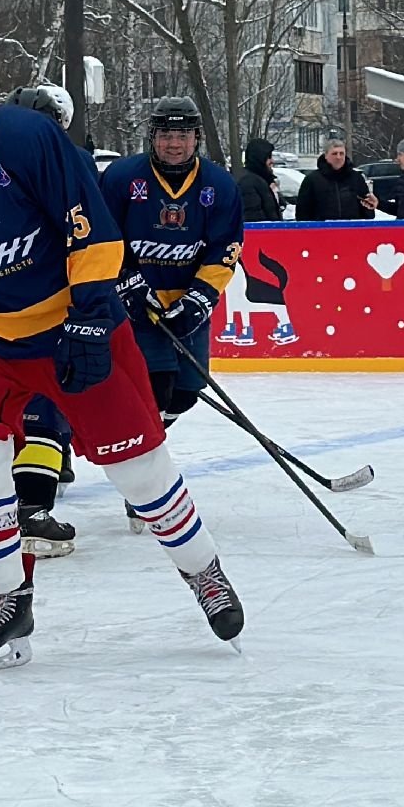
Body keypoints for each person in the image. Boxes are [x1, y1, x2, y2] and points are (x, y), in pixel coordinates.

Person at [0, 35, 244, 672]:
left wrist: (86, 321)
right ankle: (7, 597)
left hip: (71, 327)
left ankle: (204, 572)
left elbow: (95, 235)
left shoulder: (27, 138)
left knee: (140, 472)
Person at [98, 96, 244, 531]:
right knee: (155, 390)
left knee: (186, 390)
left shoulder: (218, 185)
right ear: (153, 137)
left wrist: (199, 299)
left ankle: (139, 458)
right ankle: (145, 486)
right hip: (135, 309)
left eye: (182, 134)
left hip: (187, 308)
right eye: (166, 134)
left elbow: (225, 250)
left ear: (196, 137)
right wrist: (126, 283)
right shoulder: (123, 179)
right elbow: (103, 238)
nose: (174, 143)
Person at [294, 139, 377, 221]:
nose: (338, 157)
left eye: (341, 154)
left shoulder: (356, 178)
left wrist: (368, 210)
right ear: (326, 155)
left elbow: (368, 210)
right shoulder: (312, 180)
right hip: (321, 231)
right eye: (334, 154)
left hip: (352, 230)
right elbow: (302, 213)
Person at [235, 137, 283, 223]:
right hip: (263, 235)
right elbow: (254, 221)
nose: (272, 160)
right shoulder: (248, 184)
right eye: (269, 157)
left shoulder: (264, 181)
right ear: (260, 158)